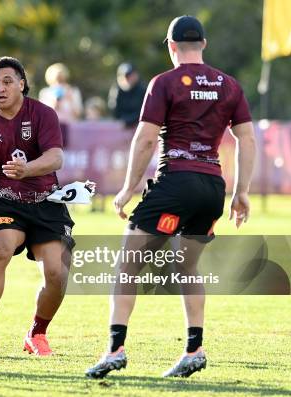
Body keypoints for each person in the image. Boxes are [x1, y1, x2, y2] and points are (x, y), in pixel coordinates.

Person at [86, 15, 256, 378]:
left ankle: (115, 348)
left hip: (176, 183)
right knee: (186, 266)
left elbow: (146, 138)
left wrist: (129, 187)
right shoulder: (229, 85)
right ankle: (194, 348)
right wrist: (241, 192)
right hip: (212, 188)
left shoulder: (164, 82)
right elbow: (248, 139)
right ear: (204, 45)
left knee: (127, 265)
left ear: (171, 46)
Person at [0, 56, 75, 356]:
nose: (0, 88)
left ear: (22, 84)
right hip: (3, 200)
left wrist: (27, 169)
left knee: (58, 273)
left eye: (7, 81)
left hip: (46, 201)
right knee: (1, 247)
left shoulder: (43, 114)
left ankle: (37, 333)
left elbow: (56, 158)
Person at [39, 62, 83, 147]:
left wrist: (70, 100)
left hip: (71, 130)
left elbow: (78, 113)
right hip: (51, 131)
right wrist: (55, 103)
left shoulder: (73, 91)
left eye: (61, 78)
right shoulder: (46, 93)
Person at [108, 62, 146, 129]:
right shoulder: (116, 91)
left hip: (139, 128)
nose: (127, 79)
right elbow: (114, 111)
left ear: (136, 75)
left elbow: (144, 112)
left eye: (129, 76)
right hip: (121, 129)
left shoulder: (143, 90)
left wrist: (128, 121)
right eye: (124, 76)